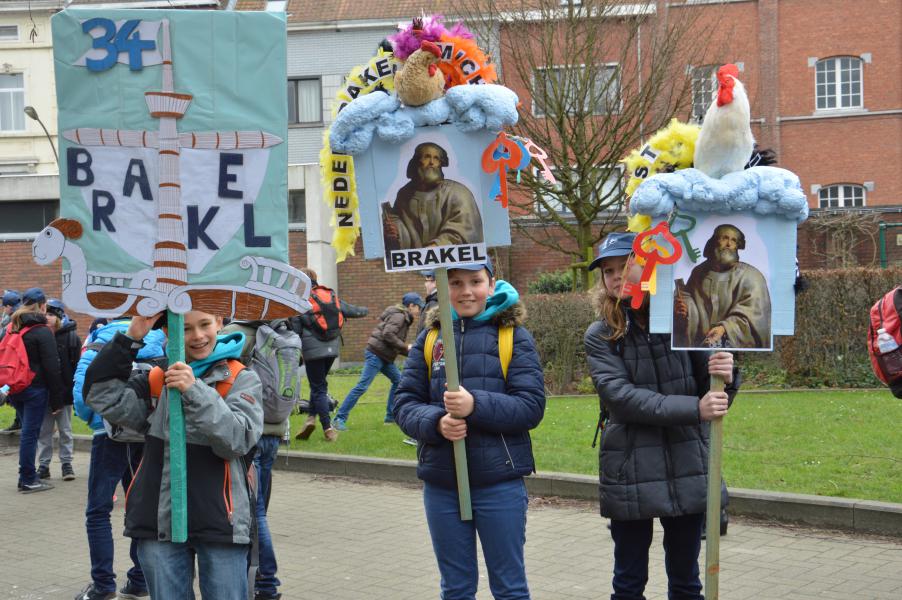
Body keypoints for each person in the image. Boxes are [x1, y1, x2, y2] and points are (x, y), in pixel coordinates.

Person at [584, 232, 740, 600]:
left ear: (650, 266)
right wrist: (695, 408)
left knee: (686, 582)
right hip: (630, 470)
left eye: (625, 266)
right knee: (628, 582)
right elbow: (622, 398)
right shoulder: (600, 334)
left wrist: (728, 375)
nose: (616, 276)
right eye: (608, 271)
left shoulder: (687, 318)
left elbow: (714, 394)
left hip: (688, 463)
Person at [393, 258, 546, 600]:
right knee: (456, 587)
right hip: (443, 483)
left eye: (475, 281)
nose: (466, 292)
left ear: (491, 285)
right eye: (455, 283)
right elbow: (404, 403)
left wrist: (475, 405)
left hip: (499, 483)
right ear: (441, 288)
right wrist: (436, 423)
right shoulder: (430, 339)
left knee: (509, 586)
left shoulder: (512, 337)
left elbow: (531, 406)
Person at [84, 310, 263, 600]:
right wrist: (132, 336)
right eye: (186, 328)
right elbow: (99, 395)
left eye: (205, 324)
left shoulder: (241, 378)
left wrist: (195, 391)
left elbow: (237, 441)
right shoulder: (157, 378)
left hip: (221, 521)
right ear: (169, 332)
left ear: (219, 323)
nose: (197, 336)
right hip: (160, 520)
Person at [73, 317, 166, 600]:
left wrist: (97, 421)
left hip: (107, 434)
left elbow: (82, 394)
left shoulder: (100, 340)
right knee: (140, 508)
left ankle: (103, 586)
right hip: (145, 432)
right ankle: (140, 580)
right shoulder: (159, 339)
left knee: (98, 511)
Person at [290, 268, 367, 443]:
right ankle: (310, 418)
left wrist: (297, 350)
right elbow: (350, 310)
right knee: (319, 385)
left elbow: (295, 329)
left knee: (318, 388)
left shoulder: (300, 299)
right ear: (315, 279)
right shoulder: (328, 295)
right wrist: (366, 311)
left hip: (313, 350)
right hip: (332, 348)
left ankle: (327, 428)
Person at [333, 292, 424, 431]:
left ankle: (390, 417)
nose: (419, 311)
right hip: (376, 355)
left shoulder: (402, 316)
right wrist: (406, 347)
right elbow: (387, 334)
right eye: (418, 307)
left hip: (384, 356)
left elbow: (393, 342)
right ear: (411, 306)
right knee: (362, 386)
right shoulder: (400, 316)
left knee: (398, 381)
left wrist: (411, 352)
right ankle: (339, 419)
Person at [673, 223, 771, 349]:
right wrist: (685, 310)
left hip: (732, 346)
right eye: (725, 238)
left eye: (734, 240)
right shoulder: (699, 273)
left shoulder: (752, 277)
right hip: (700, 349)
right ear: (715, 241)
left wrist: (725, 328)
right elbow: (688, 301)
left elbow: (755, 315)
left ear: (737, 246)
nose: (729, 244)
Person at [7, 287, 62, 493]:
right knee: (30, 434)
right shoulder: (41, 331)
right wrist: (56, 400)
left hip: (15, 387)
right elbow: (51, 367)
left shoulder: (13, 327)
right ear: (42, 305)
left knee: (27, 433)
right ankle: (28, 478)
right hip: (35, 389)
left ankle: (28, 476)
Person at [382, 142, 484, 251]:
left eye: (436, 159)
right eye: (427, 157)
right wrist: (396, 231)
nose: (431, 162)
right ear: (417, 161)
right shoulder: (404, 194)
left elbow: (465, 229)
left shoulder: (459, 193)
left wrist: (436, 247)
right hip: (419, 263)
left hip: (452, 263)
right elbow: (402, 231)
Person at [36, 298, 80, 481]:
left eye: (51, 314)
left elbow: (76, 366)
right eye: (46, 313)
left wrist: (72, 391)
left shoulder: (71, 337)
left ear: (60, 316)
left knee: (65, 430)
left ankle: (66, 464)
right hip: (45, 392)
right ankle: (44, 465)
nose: (47, 317)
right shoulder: (39, 335)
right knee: (44, 431)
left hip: (64, 393)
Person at [1, 289, 23, 432]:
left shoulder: (13, 320)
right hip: (14, 363)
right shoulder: (18, 317)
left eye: (5, 306)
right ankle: (19, 421)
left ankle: (20, 422)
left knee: (14, 392)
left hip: (12, 363)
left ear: (9, 307)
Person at [416, 270, 439, 335]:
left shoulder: (434, 303)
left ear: (435, 283)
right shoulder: (434, 300)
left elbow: (427, 329)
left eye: (426, 281)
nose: (425, 284)